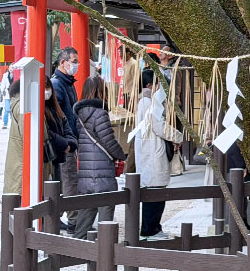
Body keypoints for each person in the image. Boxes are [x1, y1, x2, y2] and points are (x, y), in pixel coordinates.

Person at [72, 77, 126, 239]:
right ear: (101, 91)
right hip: (102, 172)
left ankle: (77, 246)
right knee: (106, 214)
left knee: (86, 212)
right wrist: (122, 155)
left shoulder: (79, 114)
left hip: (86, 173)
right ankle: (105, 250)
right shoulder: (100, 113)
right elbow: (108, 141)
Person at [135, 69, 181, 239]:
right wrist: (177, 135)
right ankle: (150, 228)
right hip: (152, 152)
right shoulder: (148, 102)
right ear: (150, 85)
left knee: (154, 191)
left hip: (149, 151)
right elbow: (158, 126)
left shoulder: (143, 101)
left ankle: (153, 227)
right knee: (155, 192)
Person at [51, 47, 80, 230]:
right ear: (63, 62)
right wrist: (67, 142)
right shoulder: (57, 84)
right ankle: (73, 221)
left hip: (69, 140)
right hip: (64, 142)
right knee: (68, 180)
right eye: (74, 61)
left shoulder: (68, 83)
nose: (76, 65)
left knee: (67, 181)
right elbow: (59, 116)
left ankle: (67, 217)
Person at [3, 80, 23, 196]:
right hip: (21, 161)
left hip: (17, 159)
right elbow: (27, 136)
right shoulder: (22, 106)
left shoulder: (17, 102)